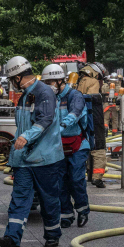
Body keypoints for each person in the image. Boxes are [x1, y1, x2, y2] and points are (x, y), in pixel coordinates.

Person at [0, 56, 64, 247]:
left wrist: (26, 137)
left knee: (48, 199)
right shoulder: (26, 94)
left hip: (45, 158)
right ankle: (12, 238)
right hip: (25, 159)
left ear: (18, 77)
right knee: (19, 197)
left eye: (12, 79)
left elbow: (45, 119)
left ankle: (52, 234)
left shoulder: (44, 92)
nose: (11, 84)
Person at [44, 63, 91, 228]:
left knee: (76, 179)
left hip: (77, 144)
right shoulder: (51, 97)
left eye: (50, 82)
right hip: (58, 145)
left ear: (59, 81)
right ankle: (66, 214)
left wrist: (61, 126)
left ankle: (83, 210)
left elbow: (75, 113)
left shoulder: (74, 96)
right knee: (60, 181)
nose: (48, 85)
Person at [77, 62, 108, 188]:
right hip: (94, 117)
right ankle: (97, 178)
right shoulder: (93, 82)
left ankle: (87, 174)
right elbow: (92, 102)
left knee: (84, 145)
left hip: (79, 118)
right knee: (99, 147)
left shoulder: (78, 82)